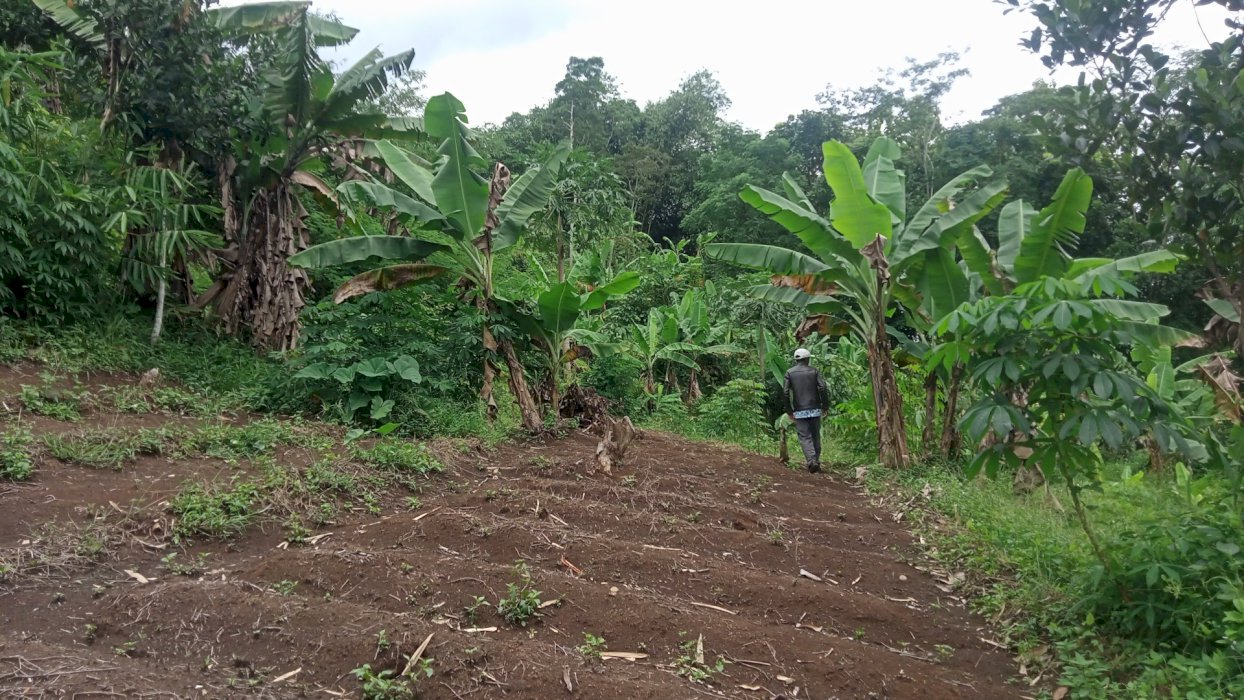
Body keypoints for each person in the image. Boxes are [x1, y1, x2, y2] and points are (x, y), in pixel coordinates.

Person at [784, 347, 828, 473]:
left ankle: (811, 461)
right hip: (815, 408)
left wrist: (789, 410)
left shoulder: (789, 373)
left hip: (799, 410)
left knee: (804, 436)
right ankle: (816, 461)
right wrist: (825, 406)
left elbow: (785, 392)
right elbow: (822, 388)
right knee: (815, 435)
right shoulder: (814, 371)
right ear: (807, 359)